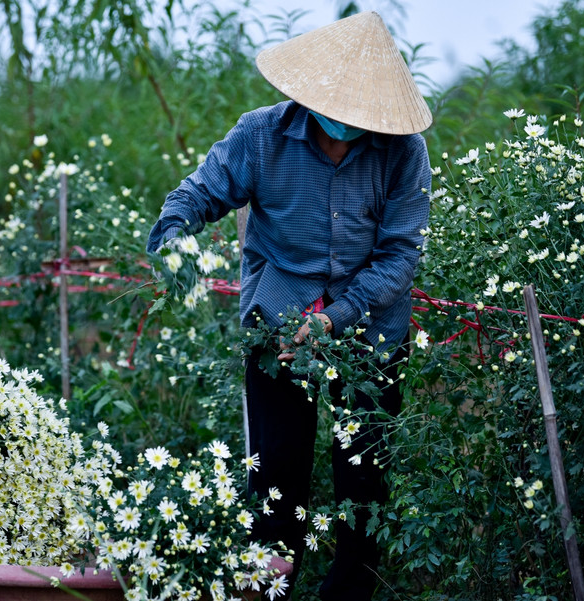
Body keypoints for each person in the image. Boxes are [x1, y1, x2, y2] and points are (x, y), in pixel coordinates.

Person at [146, 11, 432, 600]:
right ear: (311, 94)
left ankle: (350, 590)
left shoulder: (404, 154)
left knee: (363, 476)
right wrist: (175, 241)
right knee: (276, 471)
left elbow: (401, 257)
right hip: (278, 324)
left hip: (371, 328)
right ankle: (269, 587)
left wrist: (334, 317)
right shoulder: (260, 135)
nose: (346, 123)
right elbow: (196, 194)